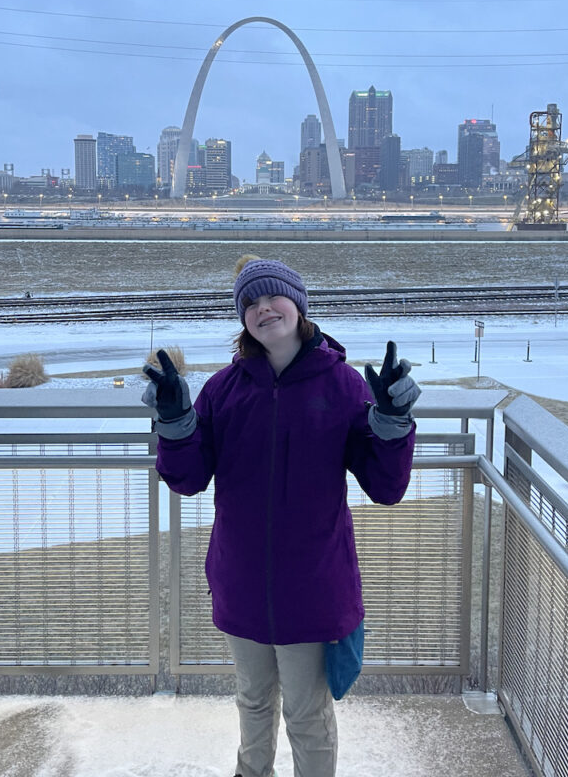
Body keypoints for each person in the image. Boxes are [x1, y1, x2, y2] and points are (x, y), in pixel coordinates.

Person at [142, 256, 420, 777]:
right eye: (249, 303)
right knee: (252, 703)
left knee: (306, 714)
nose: (262, 309)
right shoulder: (223, 390)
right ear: (242, 319)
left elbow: (386, 486)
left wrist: (394, 423)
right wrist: (176, 423)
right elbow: (189, 478)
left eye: (272, 296)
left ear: (299, 304)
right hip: (240, 580)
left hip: (313, 587)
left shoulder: (342, 386)